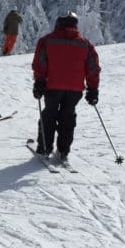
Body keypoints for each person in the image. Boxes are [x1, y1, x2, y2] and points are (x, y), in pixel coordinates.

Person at [31, 11, 100, 165]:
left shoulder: (47, 41)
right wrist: (93, 89)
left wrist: (39, 81)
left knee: (49, 115)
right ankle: (63, 151)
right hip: (74, 90)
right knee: (67, 117)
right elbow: (93, 68)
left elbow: (39, 63)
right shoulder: (85, 44)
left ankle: (44, 148)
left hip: (52, 87)